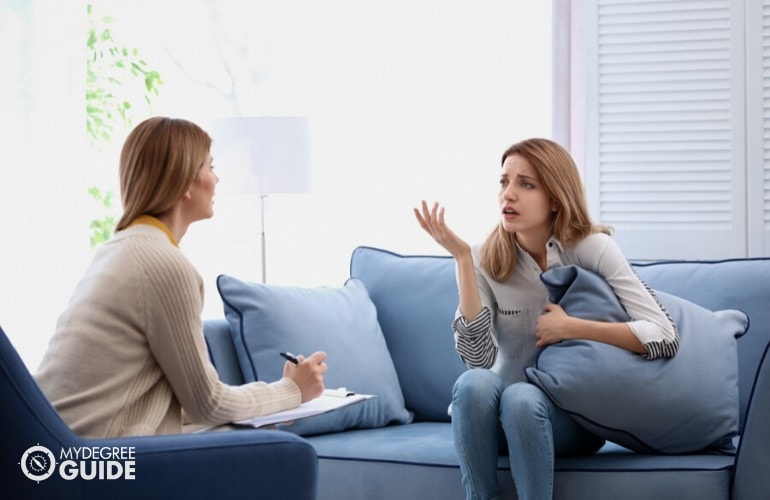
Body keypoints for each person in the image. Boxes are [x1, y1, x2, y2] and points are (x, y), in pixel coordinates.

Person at [414, 138, 679, 500]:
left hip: (570, 422)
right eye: (504, 181)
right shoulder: (482, 258)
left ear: (555, 198)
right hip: (495, 424)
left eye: (526, 184)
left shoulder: (592, 248)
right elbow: (478, 360)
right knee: (474, 384)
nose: (508, 194)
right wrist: (462, 259)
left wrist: (573, 327)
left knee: (522, 399)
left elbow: (664, 335)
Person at [35, 116, 327, 438]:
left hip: (56, 452)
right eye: (210, 167)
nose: (216, 179)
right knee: (285, 453)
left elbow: (184, 404)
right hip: (100, 462)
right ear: (185, 182)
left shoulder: (119, 249)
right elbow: (209, 404)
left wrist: (271, 404)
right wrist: (292, 390)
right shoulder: (163, 265)